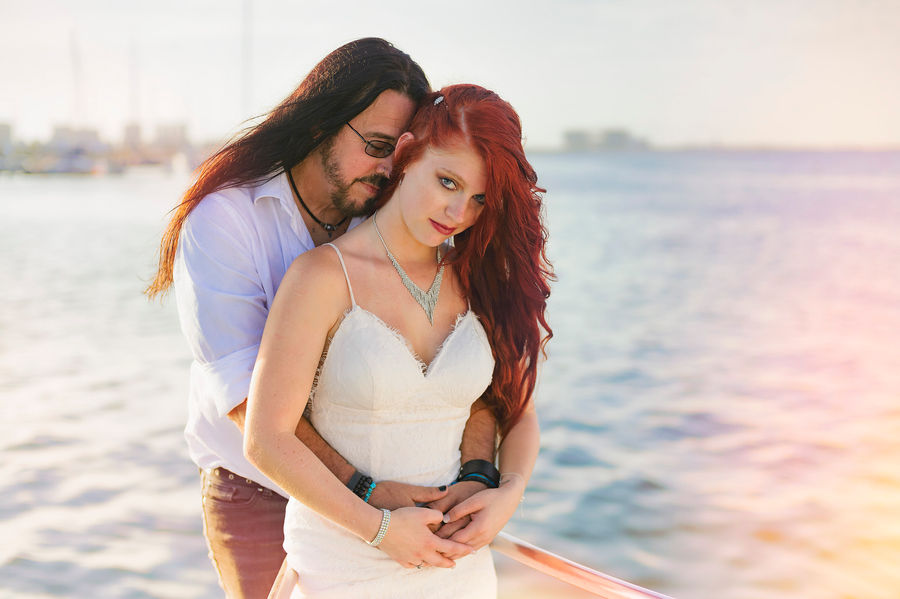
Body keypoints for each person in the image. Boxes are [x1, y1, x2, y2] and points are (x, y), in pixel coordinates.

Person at [146, 39, 498, 598]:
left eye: (402, 152)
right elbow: (243, 399)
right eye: (377, 146)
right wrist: (365, 493)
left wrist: (480, 478)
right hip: (260, 491)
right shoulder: (225, 221)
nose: (390, 170)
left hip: (397, 500)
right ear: (319, 125)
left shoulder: (395, 222)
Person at [245, 84, 553, 598]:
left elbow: (517, 411)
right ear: (407, 155)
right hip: (345, 567)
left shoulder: (476, 278)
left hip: (459, 572)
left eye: (478, 199)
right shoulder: (323, 276)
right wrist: (380, 529)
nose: (458, 213)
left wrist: (506, 493)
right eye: (447, 181)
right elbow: (266, 439)